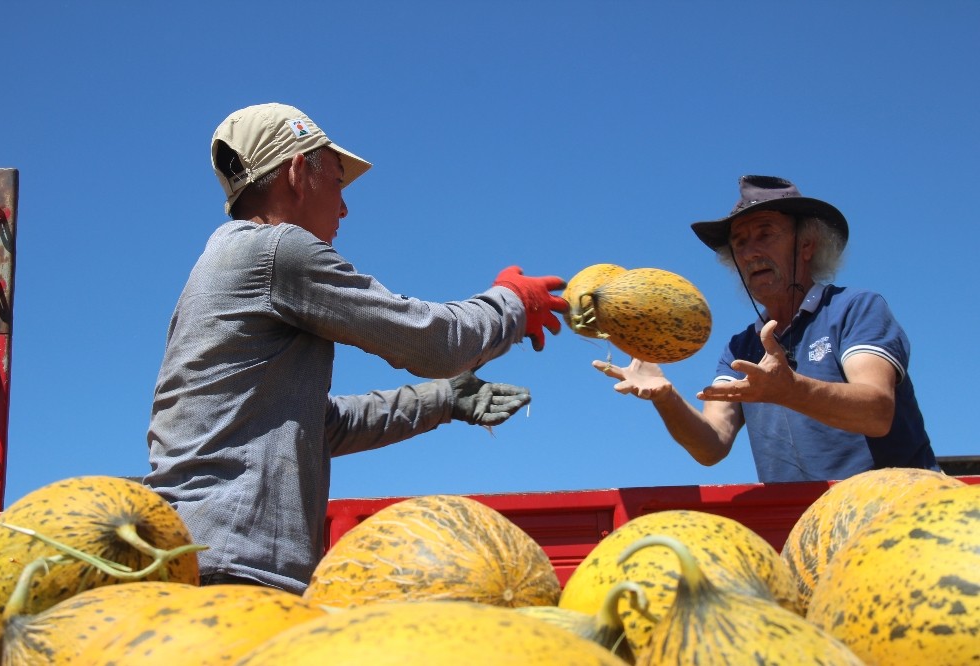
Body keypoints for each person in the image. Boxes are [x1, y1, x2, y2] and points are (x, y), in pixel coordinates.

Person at [144, 102, 568, 593]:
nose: (344, 207)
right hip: (235, 569)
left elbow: (317, 426)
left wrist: (442, 399)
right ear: (299, 172)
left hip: (202, 556)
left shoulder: (224, 264)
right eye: (338, 183)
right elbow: (435, 341)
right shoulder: (274, 251)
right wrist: (513, 303)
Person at [594, 175, 938, 483]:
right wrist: (666, 398)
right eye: (739, 242)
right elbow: (713, 444)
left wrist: (790, 390)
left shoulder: (854, 308)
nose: (750, 251)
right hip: (803, 527)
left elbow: (877, 412)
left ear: (806, 245)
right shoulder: (740, 347)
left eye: (765, 234)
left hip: (894, 510)